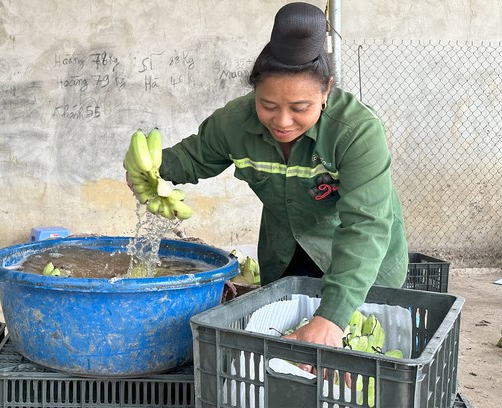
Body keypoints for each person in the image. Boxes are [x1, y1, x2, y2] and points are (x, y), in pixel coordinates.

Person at [156, 2, 409, 351]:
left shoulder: (356, 131)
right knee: (286, 359)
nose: (283, 121)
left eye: (300, 108)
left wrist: (331, 317)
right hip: (286, 255)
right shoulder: (234, 122)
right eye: (269, 106)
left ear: (326, 91)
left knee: (356, 355)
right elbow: (193, 158)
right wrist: (151, 169)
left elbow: (365, 225)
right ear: (255, 91)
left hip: (359, 264)